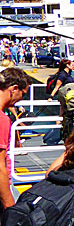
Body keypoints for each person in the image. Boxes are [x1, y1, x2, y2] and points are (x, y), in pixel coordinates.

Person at [0, 68, 30, 208]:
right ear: (14, 89)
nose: (21, 99)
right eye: (23, 94)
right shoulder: (2, 119)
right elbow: (0, 167)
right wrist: (9, 207)